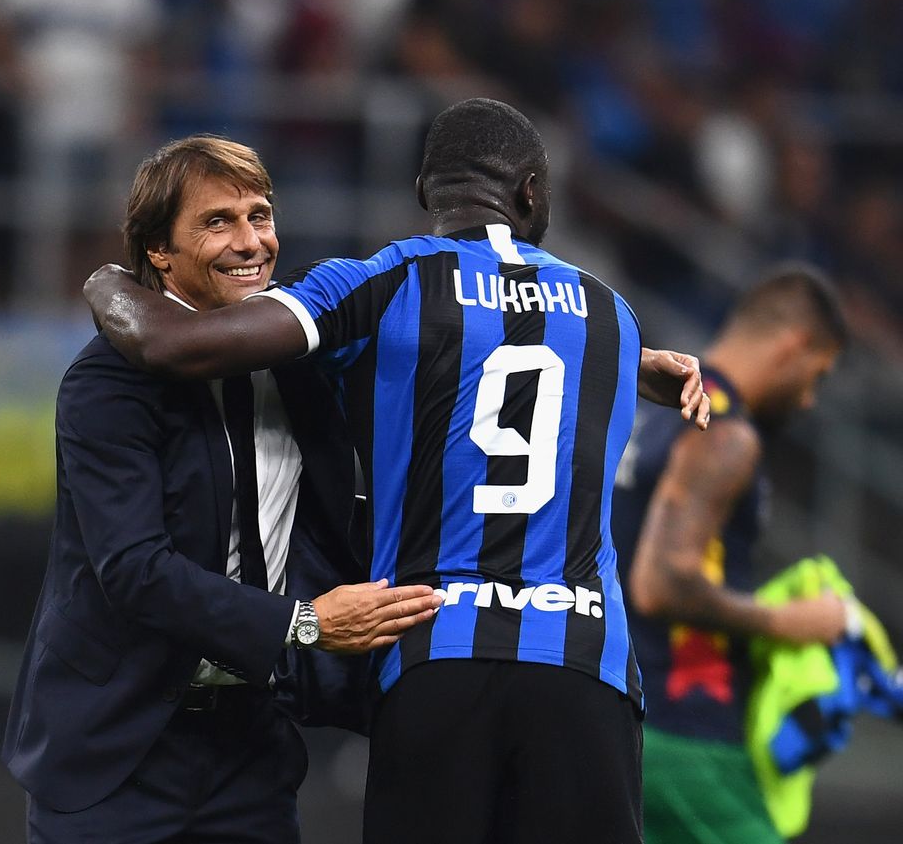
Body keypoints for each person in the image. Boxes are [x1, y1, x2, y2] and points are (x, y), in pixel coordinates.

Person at [83, 98, 711, 844]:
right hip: (582, 664)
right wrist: (634, 364)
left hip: (432, 654)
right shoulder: (609, 316)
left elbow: (183, 344)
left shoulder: (376, 285)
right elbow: (523, 347)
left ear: (424, 193)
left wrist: (103, 281)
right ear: (534, 191)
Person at [2, 135, 442, 844]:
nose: (251, 242)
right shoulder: (107, 383)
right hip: (117, 753)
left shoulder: (300, 359)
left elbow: (450, 336)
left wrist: (621, 354)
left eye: (259, 215)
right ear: (158, 252)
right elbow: (135, 569)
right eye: (218, 222)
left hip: (252, 750)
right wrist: (307, 624)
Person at [612, 266, 850, 844]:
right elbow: (661, 582)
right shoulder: (725, 432)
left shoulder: (651, 410)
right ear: (794, 346)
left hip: (622, 711)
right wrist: (788, 621)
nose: (810, 397)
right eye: (816, 374)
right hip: (688, 732)